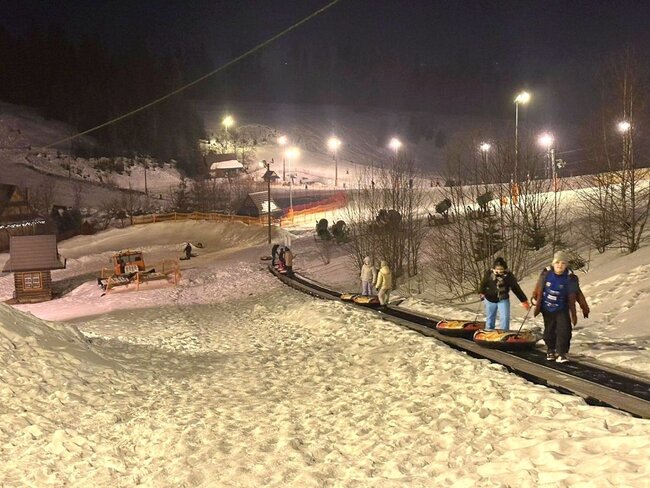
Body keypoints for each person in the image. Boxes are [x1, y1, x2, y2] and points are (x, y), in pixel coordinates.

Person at [531, 250, 590, 363]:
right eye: (557, 263)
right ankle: (551, 350)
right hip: (547, 308)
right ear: (553, 264)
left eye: (563, 263)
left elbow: (578, 293)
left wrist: (584, 307)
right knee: (549, 330)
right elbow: (539, 287)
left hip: (562, 308)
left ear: (566, 265)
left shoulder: (570, 278)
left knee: (564, 331)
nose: (560, 265)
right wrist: (534, 297)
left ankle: (561, 353)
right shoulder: (547, 274)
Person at [478, 257, 529, 331]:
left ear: (504, 269)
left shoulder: (508, 276)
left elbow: (516, 288)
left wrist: (524, 300)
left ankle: (504, 332)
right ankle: (488, 331)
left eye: (501, 269)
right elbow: (483, 284)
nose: (499, 271)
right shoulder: (489, 274)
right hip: (490, 299)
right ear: (493, 269)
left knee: (505, 317)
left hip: (503, 299)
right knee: (490, 318)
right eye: (497, 269)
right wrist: (481, 292)